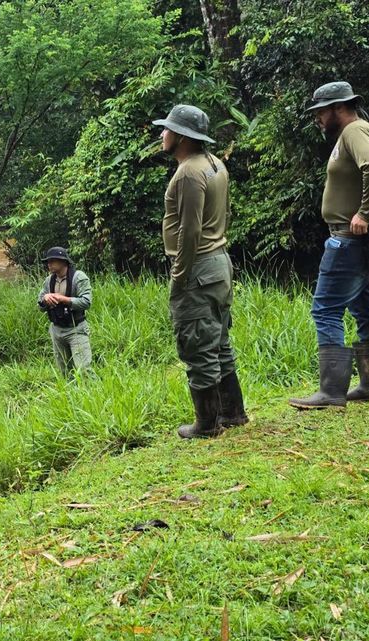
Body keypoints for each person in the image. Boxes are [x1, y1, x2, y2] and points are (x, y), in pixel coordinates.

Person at [289, 81, 369, 409]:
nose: (317, 118)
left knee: (325, 308)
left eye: (320, 111)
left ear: (338, 108)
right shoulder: (355, 131)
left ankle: (331, 391)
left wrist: (364, 212)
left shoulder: (353, 131)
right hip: (367, 236)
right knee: (365, 306)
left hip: (352, 239)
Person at [153, 104, 248, 438]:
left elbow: (189, 231)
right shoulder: (215, 164)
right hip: (219, 262)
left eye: (166, 129)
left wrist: (179, 276)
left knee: (196, 343)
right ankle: (233, 413)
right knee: (219, 340)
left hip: (198, 265)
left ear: (180, 136)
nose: (162, 134)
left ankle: (207, 424)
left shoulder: (189, 173)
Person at [37, 247, 93, 376]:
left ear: (63, 261)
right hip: (56, 330)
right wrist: (45, 299)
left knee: (84, 370)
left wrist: (64, 299)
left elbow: (86, 302)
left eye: (52, 261)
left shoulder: (78, 277)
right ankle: (69, 394)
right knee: (64, 371)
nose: (49, 264)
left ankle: (92, 393)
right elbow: (40, 306)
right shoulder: (49, 281)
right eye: (48, 261)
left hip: (76, 329)